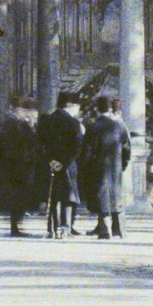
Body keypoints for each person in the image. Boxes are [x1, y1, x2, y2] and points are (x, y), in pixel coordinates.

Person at [80, 94, 132, 238]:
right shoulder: (119, 126)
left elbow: (87, 152)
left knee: (102, 197)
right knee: (116, 197)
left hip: (98, 169)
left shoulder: (93, 127)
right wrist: (122, 165)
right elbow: (127, 149)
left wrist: (85, 167)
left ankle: (104, 230)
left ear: (97, 109)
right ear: (110, 109)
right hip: (115, 169)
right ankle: (120, 230)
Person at [36, 95, 84, 237]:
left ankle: (51, 228)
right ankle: (65, 228)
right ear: (70, 105)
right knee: (67, 196)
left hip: (49, 165)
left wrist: (51, 160)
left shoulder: (46, 121)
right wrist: (63, 162)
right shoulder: (73, 122)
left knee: (52, 195)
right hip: (67, 166)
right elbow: (77, 146)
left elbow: (39, 144)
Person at [0, 101, 39, 236]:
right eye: (22, 110)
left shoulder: (16, 124)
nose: (23, 113)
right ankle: (15, 226)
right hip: (17, 166)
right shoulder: (13, 125)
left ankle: (16, 224)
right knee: (18, 196)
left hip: (18, 166)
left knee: (19, 196)